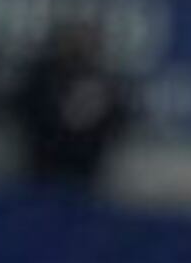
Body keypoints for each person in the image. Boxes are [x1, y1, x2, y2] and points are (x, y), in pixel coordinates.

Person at [13, 17, 136, 192]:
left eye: (87, 41)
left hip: (85, 173)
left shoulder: (107, 82)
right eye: (74, 40)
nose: (80, 47)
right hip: (42, 168)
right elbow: (24, 111)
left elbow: (119, 120)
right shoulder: (42, 77)